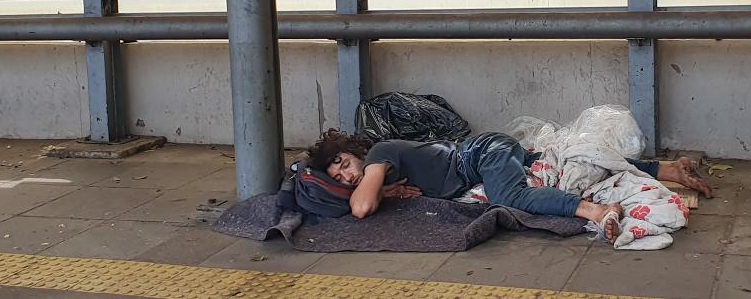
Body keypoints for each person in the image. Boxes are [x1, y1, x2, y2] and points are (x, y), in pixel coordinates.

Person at [304, 129, 712, 243]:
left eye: (344, 163)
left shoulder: (379, 153)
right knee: (560, 164)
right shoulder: (382, 178)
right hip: (486, 160)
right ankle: (667, 170)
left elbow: (359, 208)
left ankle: (594, 211)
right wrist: (388, 192)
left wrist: (374, 189)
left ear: (355, 152)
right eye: (337, 176)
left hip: (482, 153)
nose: (347, 175)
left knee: (509, 197)